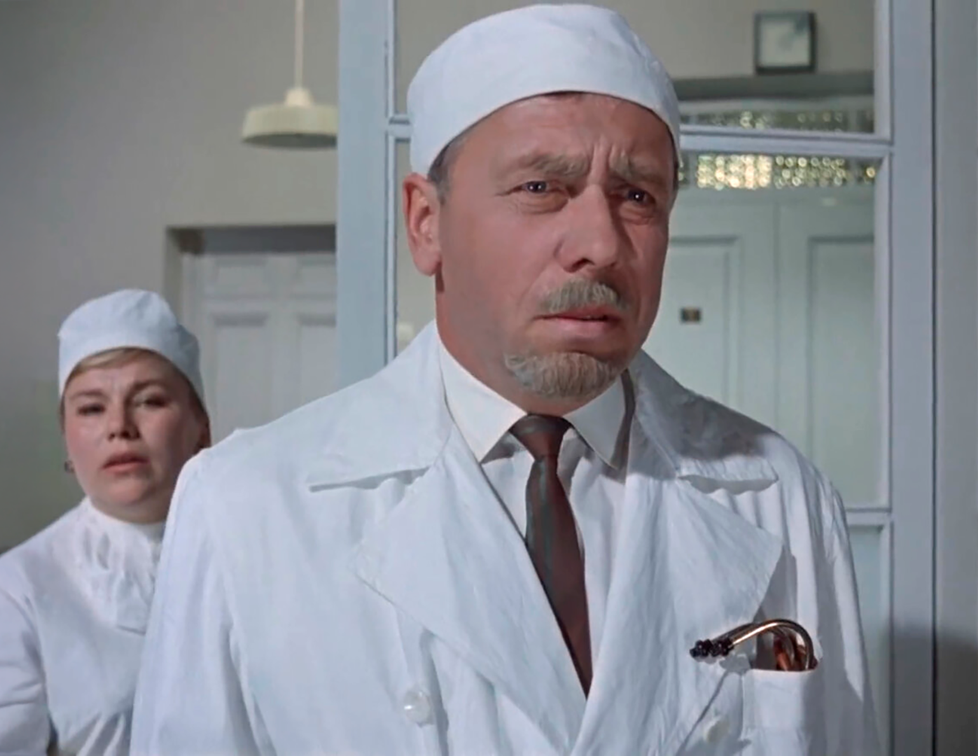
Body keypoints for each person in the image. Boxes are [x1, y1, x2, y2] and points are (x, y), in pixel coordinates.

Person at [129, 5, 879, 755]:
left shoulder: (779, 493)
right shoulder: (246, 508)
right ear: (426, 222)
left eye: (638, 195)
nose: (600, 244)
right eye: (541, 187)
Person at [0, 289, 210, 756]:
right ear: (66, 437)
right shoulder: (16, 591)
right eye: (91, 408)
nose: (119, 427)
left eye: (149, 401)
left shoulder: (252, 560)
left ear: (200, 427)